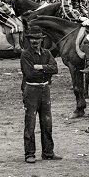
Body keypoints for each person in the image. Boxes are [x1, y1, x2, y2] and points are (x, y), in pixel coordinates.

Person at [20, 24, 61, 163]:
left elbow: (55, 69)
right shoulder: (25, 54)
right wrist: (46, 71)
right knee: (30, 123)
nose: (35, 41)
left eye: (37, 39)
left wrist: (40, 67)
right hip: (31, 90)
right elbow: (30, 74)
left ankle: (48, 152)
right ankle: (29, 154)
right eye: (32, 39)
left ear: (41, 40)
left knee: (47, 122)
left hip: (45, 90)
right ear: (29, 40)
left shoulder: (46, 53)